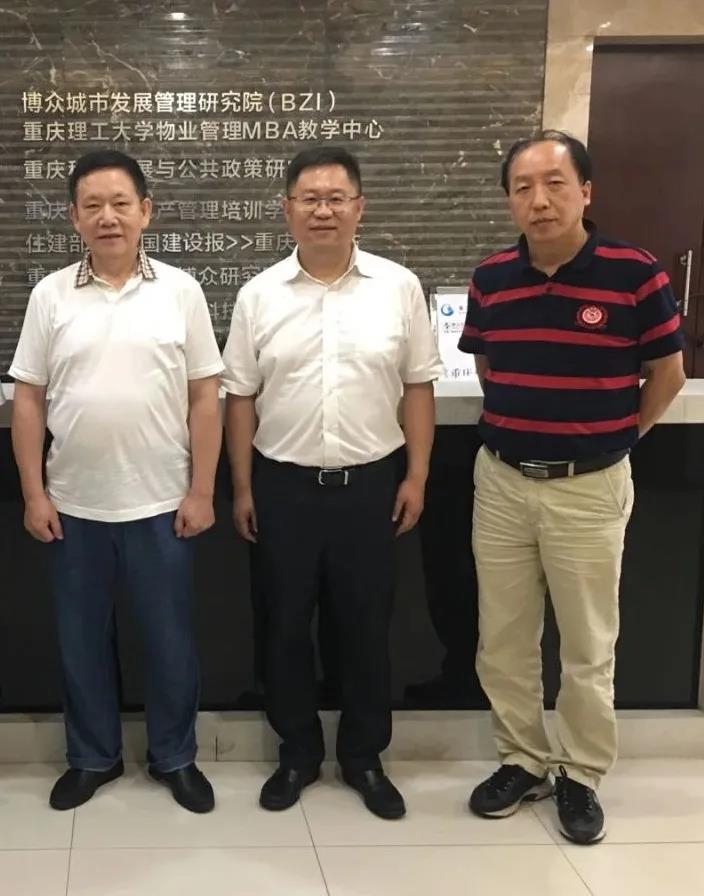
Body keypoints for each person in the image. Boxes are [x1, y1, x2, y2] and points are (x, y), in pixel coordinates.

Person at [459, 130, 685, 844]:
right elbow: (490, 368)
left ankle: (580, 773)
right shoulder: (491, 278)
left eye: (555, 183)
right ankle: (522, 760)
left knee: (588, 644)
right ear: (509, 201)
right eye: (523, 187)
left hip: (589, 487)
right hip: (502, 482)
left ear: (585, 192)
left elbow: (669, 373)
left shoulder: (635, 273)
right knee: (503, 639)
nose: (540, 200)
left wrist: (616, 439)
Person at [222, 145, 443, 819]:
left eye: (336, 197)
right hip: (282, 487)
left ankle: (364, 757)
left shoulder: (398, 287)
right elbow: (240, 397)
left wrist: (417, 475)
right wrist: (243, 487)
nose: (323, 210)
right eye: (310, 198)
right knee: (284, 625)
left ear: (359, 208)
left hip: (371, 486)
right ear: (286, 209)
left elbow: (418, 386)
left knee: (366, 627)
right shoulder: (259, 295)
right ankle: (296, 754)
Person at [10, 149, 223, 813]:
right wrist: (34, 494)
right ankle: (92, 757)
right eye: (93, 206)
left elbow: (205, 396)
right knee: (80, 643)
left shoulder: (181, 292)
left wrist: (202, 490)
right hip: (73, 505)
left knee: (170, 643)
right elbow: (28, 399)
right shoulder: (50, 296)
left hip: (162, 503)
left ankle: (175, 758)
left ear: (145, 211)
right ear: (74, 217)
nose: (108, 217)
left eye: (121, 204)